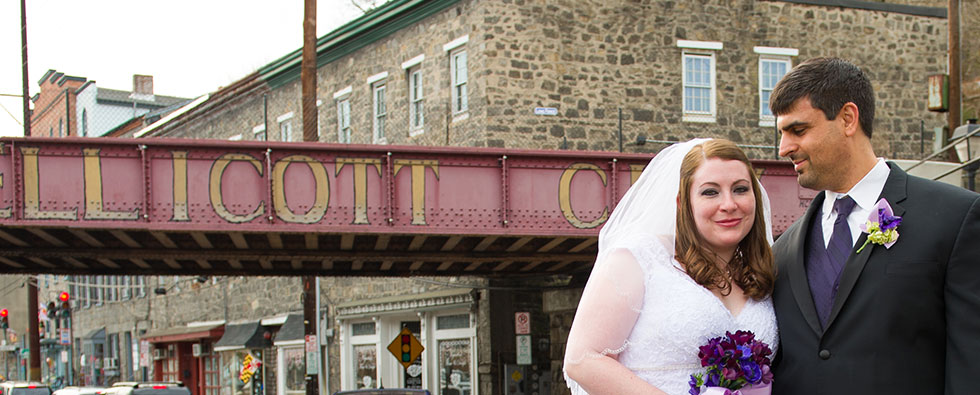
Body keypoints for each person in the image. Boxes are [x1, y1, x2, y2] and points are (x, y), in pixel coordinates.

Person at [769, 57, 980, 394]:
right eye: (781, 133)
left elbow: (972, 364)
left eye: (798, 130)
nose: (784, 148)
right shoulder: (781, 251)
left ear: (848, 119)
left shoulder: (955, 218)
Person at [563, 139, 778, 395]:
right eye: (710, 192)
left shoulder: (764, 272)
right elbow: (583, 359)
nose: (729, 204)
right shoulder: (639, 258)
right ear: (682, 203)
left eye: (740, 189)